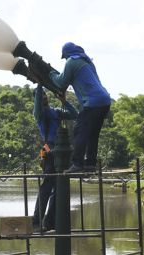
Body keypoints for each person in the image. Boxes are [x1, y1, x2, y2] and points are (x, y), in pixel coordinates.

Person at [48, 42, 111, 172]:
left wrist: (51, 74)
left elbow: (60, 82)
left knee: (79, 132)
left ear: (67, 54)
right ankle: (90, 164)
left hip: (92, 102)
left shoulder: (71, 61)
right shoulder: (87, 61)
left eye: (64, 57)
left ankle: (77, 164)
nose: (65, 59)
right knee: (93, 134)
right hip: (105, 100)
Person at [32, 84, 78, 232]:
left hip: (61, 150)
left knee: (58, 188)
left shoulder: (56, 112)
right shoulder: (39, 114)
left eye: (45, 94)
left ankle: (50, 221)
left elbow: (74, 114)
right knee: (47, 186)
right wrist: (39, 84)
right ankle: (37, 220)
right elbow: (38, 103)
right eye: (41, 95)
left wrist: (64, 101)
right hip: (50, 150)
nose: (44, 96)